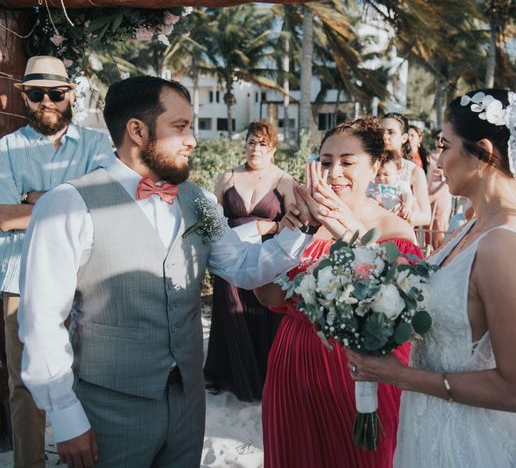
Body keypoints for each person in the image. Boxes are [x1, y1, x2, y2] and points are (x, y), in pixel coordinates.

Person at [18, 76, 313, 467]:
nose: (192, 140)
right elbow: (41, 322)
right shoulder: (67, 204)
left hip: (188, 406)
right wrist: (66, 418)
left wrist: (297, 231)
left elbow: (244, 266)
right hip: (110, 410)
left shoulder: (201, 200)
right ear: (137, 131)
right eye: (180, 127)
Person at [346, 89, 516, 466]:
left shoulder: (501, 243)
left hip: (464, 441)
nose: (437, 161)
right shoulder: (472, 225)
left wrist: (400, 376)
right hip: (426, 426)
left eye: (444, 145)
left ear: (483, 152)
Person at [255, 118, 422, 467]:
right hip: (292, 366)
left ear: (375, 166)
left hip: (357, 374)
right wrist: (286, 237)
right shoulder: (304, 222)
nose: (334, 172)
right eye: (326, 161)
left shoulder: (396, 230)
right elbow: (269, 298)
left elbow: (398, 315)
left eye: (347, 162)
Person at [0, 55, 114, 468]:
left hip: (88, 279)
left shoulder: (98, 144)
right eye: (35, 93)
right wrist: (68, 199)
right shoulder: (6, 148)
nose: (45, 101)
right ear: (24, 96)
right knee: (26, 385)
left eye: (54, 92)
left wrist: (32, 197)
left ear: (69, 94)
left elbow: (104, 204)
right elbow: (2, 215)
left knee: (94, 377)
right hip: (19, 280)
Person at [203, 120, 296, 401]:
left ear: (273, 150)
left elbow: (293, 222)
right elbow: (211, 218)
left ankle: (265, 376)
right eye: (251, 142)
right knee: (230, 312)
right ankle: (231, 376)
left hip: (265, 258)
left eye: (262, 144)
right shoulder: (228, 176)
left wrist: (265, 228)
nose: (255, 148)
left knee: (262, 314)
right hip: (231, 255)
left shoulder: (284, 180)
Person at [379, 113, 431, 226]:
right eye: (381, 132)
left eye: (391, 132)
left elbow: (426, 216)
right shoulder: (369, 165)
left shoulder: (414, 171)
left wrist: (405, 216)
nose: (384, 136)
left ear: (404, 138)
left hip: (400, 234)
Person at [427, 131, 452, 250]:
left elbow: (448, 179)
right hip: (428, 194)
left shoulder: (448, 158)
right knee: (427, 226)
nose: (439, 141)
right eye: (438, 138)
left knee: (439, 224)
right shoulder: (429, 157)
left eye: (443, 138)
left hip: (442, 194)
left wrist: (436, 195)